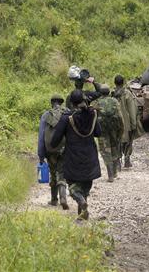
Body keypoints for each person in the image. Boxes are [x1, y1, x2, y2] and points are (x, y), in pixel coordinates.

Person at [51, 90, 102, 220]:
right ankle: (82, 214)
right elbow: (98, 133)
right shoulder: (92, 114)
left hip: (73, 158)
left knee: (74, 187)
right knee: (85, 184)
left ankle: (80, 201)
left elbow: (54, 141)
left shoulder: (67, 118)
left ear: (71, 103)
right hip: (90, 156)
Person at [37, 94, 69, 210]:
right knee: (62, 172)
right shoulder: (67, 113)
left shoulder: (46, 115)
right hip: (65, 149)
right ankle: (63, 197)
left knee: (53, 172)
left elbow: (41, 136)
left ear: (52, 103)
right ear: (61, 103)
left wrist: (41, 154)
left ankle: (54, 199)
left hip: (50, 150)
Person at [113, 74, 143, 168]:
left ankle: (117, 161)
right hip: (126, 123)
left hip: (116, 122)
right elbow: (132, 110)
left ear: (115, 83)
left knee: (117, 141)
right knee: (128, 141)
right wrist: (134, 124)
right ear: (123, 82)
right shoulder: (127, 94)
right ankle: (127, 160)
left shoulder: (112, 94)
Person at [96, 84, 124, 182]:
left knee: (105, 150)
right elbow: (120, 117)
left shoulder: (97, 103)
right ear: (108, 92)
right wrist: (121, 130)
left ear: (100, 93)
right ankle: (115, 171)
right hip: (114, 129)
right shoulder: (115, 101)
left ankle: (110, 174)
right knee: (114, 148)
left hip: (102, 131)